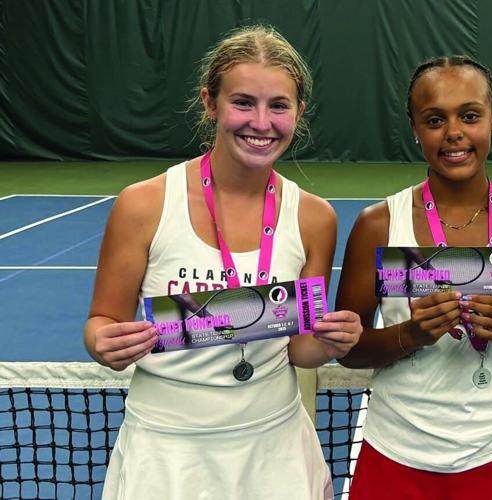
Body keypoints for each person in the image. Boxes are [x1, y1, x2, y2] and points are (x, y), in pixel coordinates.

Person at [83, 25, 362, 499]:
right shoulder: (144, 205)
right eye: (243, 102)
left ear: (298, 112)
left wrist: (334, 342)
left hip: (275, 449)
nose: (261, 122)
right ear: (210, 104)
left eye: (278, 105)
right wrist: (103, 343)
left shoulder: (316, 218)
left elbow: (300, 348)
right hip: (167, 451)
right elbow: (101, 323)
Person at [335, 55, 492, 499]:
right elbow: (349, 351)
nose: (454, 133)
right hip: (394, 456)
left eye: (470, 115)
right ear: (415, 128)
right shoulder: (377, 225)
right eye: (435, 119)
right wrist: (410, 333)